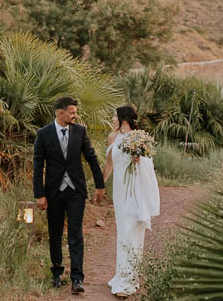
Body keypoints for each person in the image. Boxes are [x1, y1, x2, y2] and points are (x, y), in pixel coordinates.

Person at [33, 96, 106, 295]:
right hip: (54, 192)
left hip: (75, 191)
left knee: (75, 234)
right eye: (72, 112)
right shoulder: (43, 134)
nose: (75, 115)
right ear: (60, 113)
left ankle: (77, 278)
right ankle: (56, 273)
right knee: (55, 233)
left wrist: (100, 185)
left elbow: (91, 158)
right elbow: (38, 166)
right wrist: (39, 194)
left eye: (75, 112)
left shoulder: (80, 131)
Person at [103, 105, 160, 298]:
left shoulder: (139, 138)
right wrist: (100, 185)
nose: (112, 119)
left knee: (132, 231)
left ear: (124, 119)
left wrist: (140, 160)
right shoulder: (113, 137)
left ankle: (129, 278)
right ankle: (121, 273)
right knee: (122, 231)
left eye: (114, 116)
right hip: (119, 192)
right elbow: (110, 163)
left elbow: (148, 166)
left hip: (134, 191)